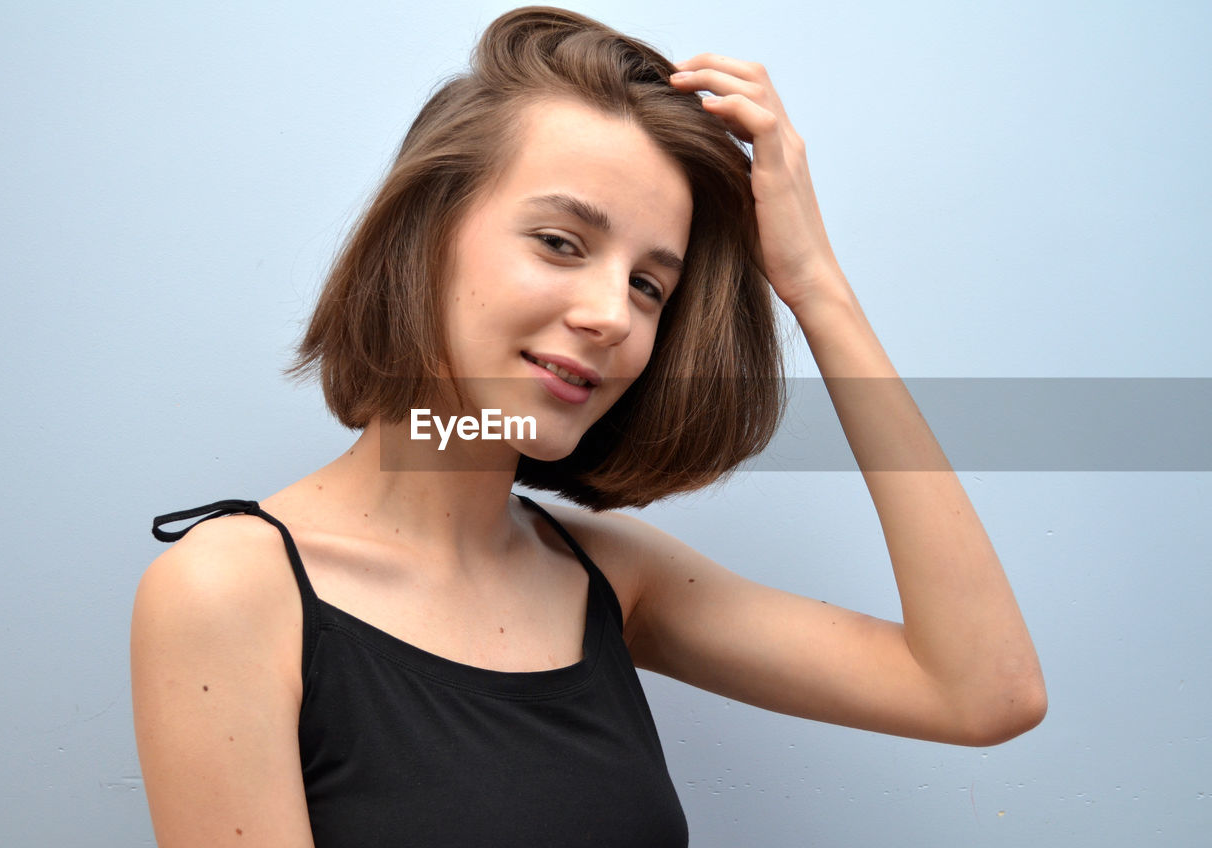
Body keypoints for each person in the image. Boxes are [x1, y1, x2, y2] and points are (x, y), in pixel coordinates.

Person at [131, 6, 1046, 846]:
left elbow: (983, 692)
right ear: (426, 232)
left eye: (650, 285)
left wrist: (817, 288)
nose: (613, 314)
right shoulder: (232, 593)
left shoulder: (612, 578)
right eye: (562, 243)